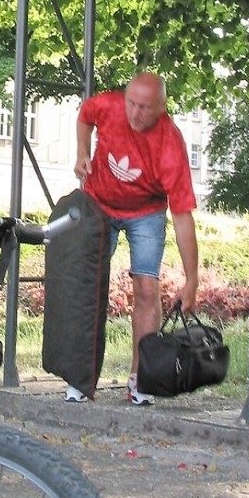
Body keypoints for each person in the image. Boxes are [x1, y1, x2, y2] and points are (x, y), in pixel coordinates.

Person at [71, 71, 200, 405]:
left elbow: (183, 216)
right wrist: (82, 151)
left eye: (145, 107)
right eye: (132, 103)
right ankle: (80, 378)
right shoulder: (108, 106)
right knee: (87, 286)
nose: (135, 113)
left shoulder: (170, 143)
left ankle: (140, 379)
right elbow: (85, 116)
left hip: (147, 213)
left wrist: (192, 278)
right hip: (99, 204)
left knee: (146, 289)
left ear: (161, 107)